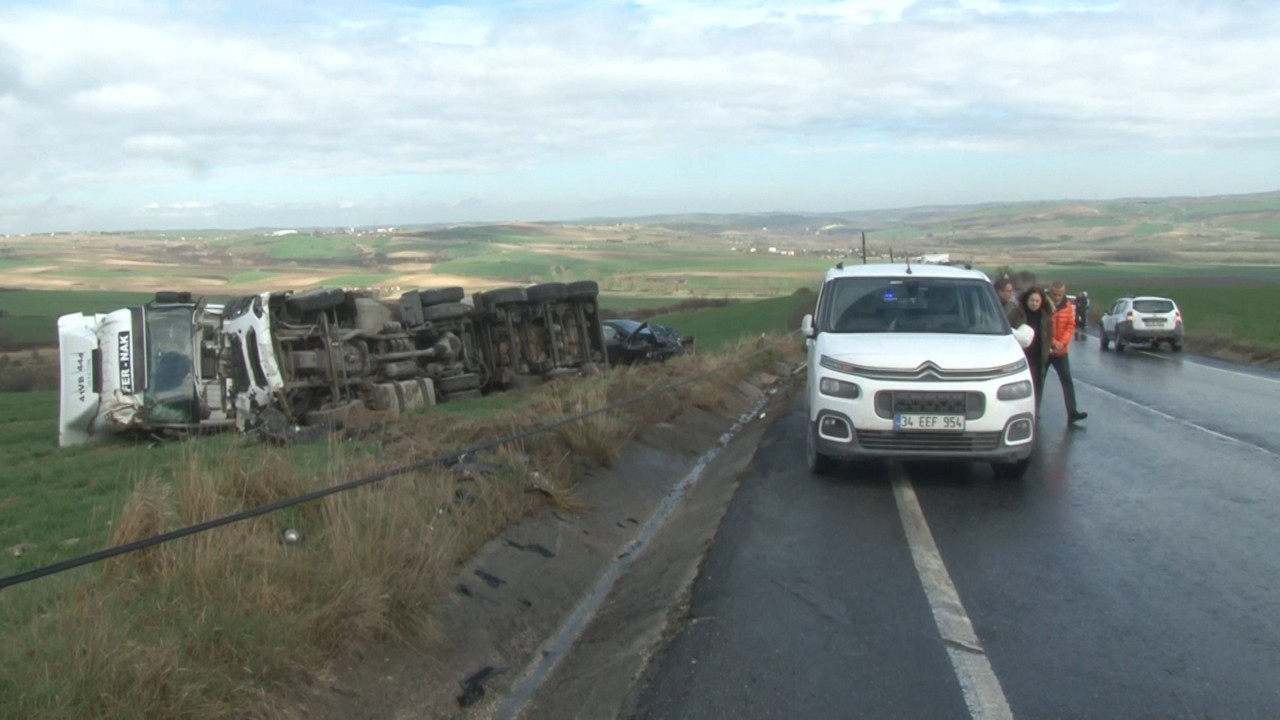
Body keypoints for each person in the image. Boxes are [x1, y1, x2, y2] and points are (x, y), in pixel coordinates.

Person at [1007, 287, 1053, 412]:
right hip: (1022, 354)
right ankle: (1018, 409)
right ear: (1027, 300)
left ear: (1041, 302)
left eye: (1037, 301)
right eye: (1032, 300)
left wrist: (1047, 351)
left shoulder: (1045, 316)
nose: (1034, 303)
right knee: (1022, 383)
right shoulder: (1017, 313)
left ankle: (1035, 408)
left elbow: (1049, 335)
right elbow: (1007, 328)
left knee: (1037, 383)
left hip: (1038, 354)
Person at [1047, 281, 1087, 423]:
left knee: (1067, 381)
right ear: (1050, 292)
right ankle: (1033, 411)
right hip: (1045, 349)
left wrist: (1061, 343)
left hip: (1060, 351)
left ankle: (1072, 412)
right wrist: (1052, 342)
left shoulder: (1068, 305)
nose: (1057, 297)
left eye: (1060, 295)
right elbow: (1042, 326)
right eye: (1054, 294)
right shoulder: (1044, 304)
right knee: (1037, 381)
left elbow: (1071, 325)